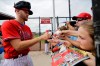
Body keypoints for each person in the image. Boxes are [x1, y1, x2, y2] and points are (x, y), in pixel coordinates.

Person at [1, 1, 51, 66]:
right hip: (14, 60)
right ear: (17, 10)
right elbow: (18, 46)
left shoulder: (27, 28)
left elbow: (31, 42)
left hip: (27, 57)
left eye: (28, 12)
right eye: (25, 11)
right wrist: (41, 37)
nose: (27, 14)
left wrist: (50, 39)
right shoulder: (9, 24)